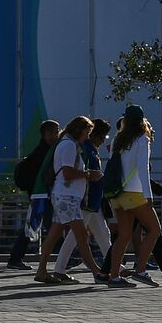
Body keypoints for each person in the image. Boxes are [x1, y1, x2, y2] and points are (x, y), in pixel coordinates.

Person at [107, 105, 162, 286]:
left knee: (124, 236)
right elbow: (143, 168)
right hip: (134, 192)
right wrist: (148, 195)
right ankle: (140, 270)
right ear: (142, 120)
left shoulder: (118, 138)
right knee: (155, 230)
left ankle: (114, 276)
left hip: (117, 193)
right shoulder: (142, 139)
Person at [57, 119, 133, 287]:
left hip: (94, 198)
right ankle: (61, 268)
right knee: (78, 236)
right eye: (102, 136)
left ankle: (114, 266)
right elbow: (83, 172)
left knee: (101, 234)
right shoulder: (85, 149)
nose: (103, 140)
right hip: (87, 198)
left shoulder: (90, 149)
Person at [34, 116, 107, 284]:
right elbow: (67, 172)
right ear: (80, 130)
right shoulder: (68, 145)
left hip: (65, 196)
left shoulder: (67, 144)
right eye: (87, 132)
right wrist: (89, 174)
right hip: (68, 198)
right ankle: (97, 272)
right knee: (81, 236)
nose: (88, 136)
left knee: (54, 235)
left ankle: (42, 270)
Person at [7, 120, 60, 269]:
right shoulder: (43, 152)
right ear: (43, 134)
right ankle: (66, 256)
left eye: (56, 132)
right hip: (41, 195)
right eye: (50, 132)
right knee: (50, 226)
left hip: (41, 195)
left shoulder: (45, 150)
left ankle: (15, 258)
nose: (54, 135)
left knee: (36, 226)